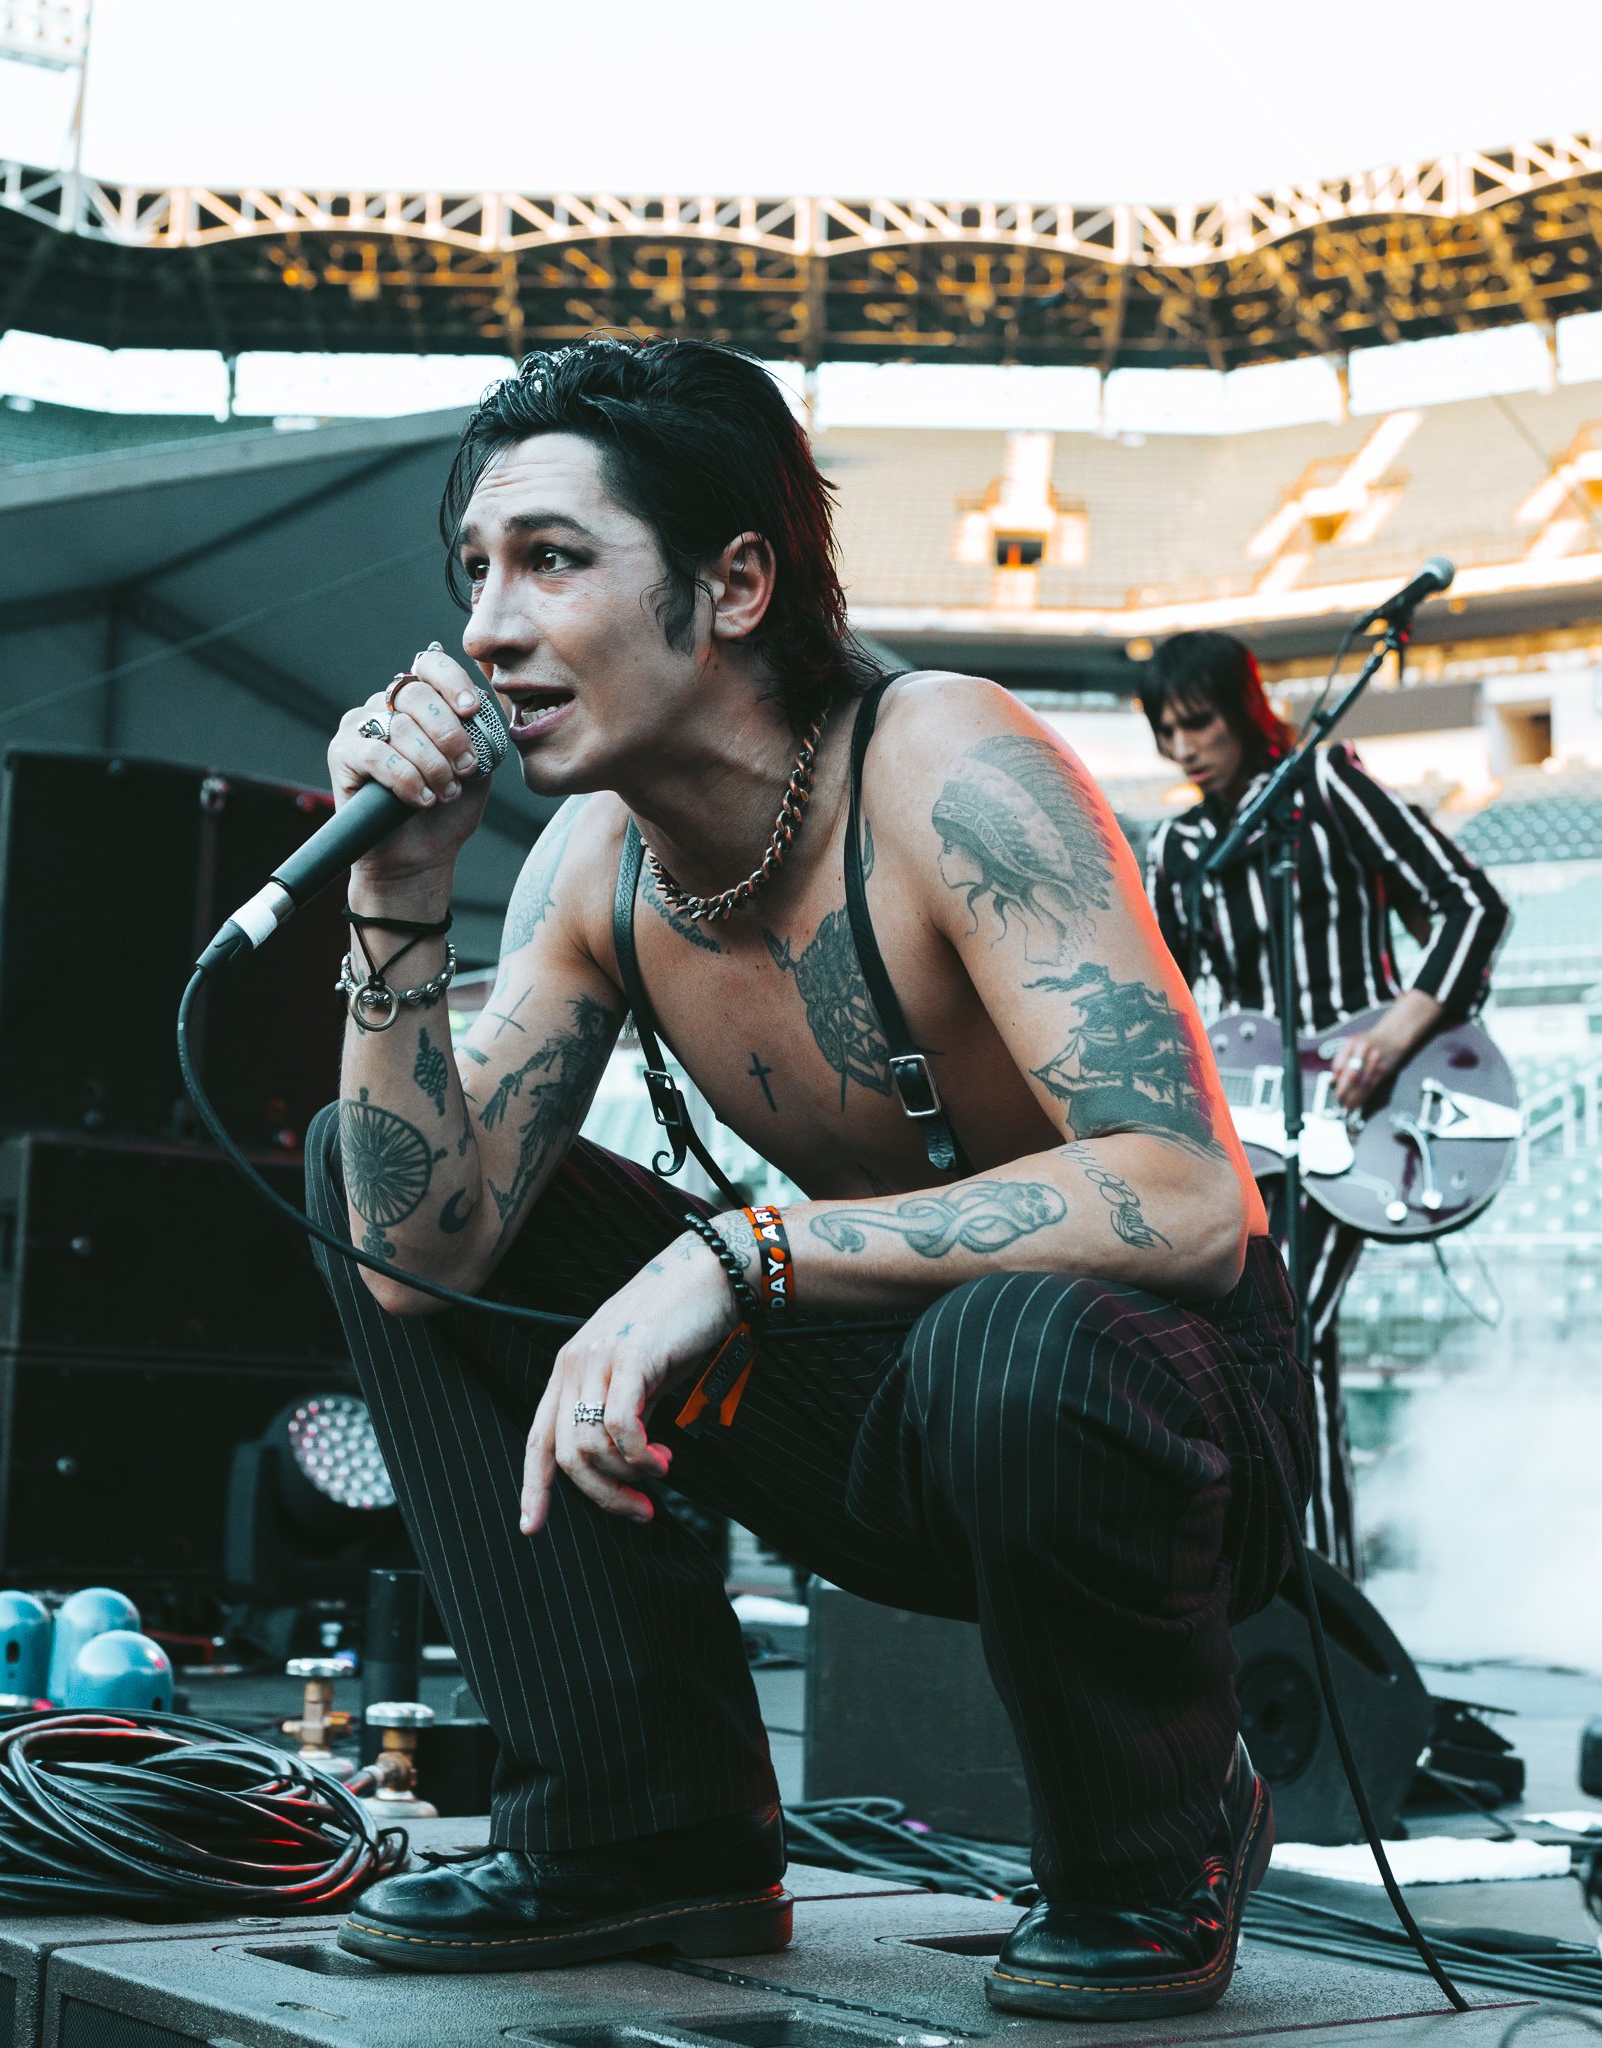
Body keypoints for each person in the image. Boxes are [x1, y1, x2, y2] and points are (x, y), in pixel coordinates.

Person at [304, 337, 1315, 2023]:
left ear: (735, 582)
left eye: (551, 559)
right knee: (361, 1160)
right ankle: (648, 1826)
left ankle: (1155, 1842)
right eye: (472, 570)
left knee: (1018, 1339)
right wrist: (396, 900)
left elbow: (1190, 1198)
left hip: (1158, 1406)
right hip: (885, 1404)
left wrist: (738, 1256)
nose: (487, 626)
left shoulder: (944, 760)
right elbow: (422, 1261)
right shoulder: (591, 866)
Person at [1141, 630, 1510, 1577]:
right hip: (1260, 1128)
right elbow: (1166, 995)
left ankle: (1304, 1589)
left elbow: (1472, 906)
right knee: (1286, 1342)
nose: (1185, 747)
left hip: (1366, 1113)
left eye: (1201, 721)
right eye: (1167, 729)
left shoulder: (1328, 787)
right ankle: (1310, 1579)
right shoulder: (1180, 846)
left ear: (1244, 709)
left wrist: (1392, 1037)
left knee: (1279, 1329)